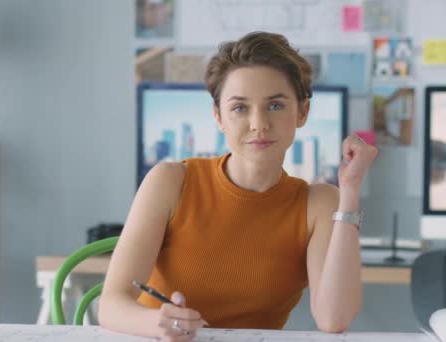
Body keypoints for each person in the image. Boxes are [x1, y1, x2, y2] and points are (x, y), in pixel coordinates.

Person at [98, 31, 378, 341]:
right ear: (218, 116)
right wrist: (158, 324)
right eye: (240, 108)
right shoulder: (170, 181)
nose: (258, 123)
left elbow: (333, 319)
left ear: (302, 111)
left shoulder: (320, 203)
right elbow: (111, 305)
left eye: (274, 106)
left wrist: (350, 190)